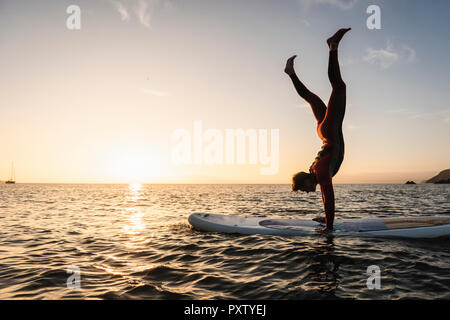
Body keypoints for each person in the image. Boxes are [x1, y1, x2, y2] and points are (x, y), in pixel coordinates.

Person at [284, 28, 351, 234]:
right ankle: (291, 73)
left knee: (339, 88)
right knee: (311, 98)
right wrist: (325, 217)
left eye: (303, 189)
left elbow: (328, 197)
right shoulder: (315, 170)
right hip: (324, 133)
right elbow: (324, 198)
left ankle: (333, 47)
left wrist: (328, 228)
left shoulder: (320, 173)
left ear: (305, 180)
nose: (306, 192)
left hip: (329, 132)